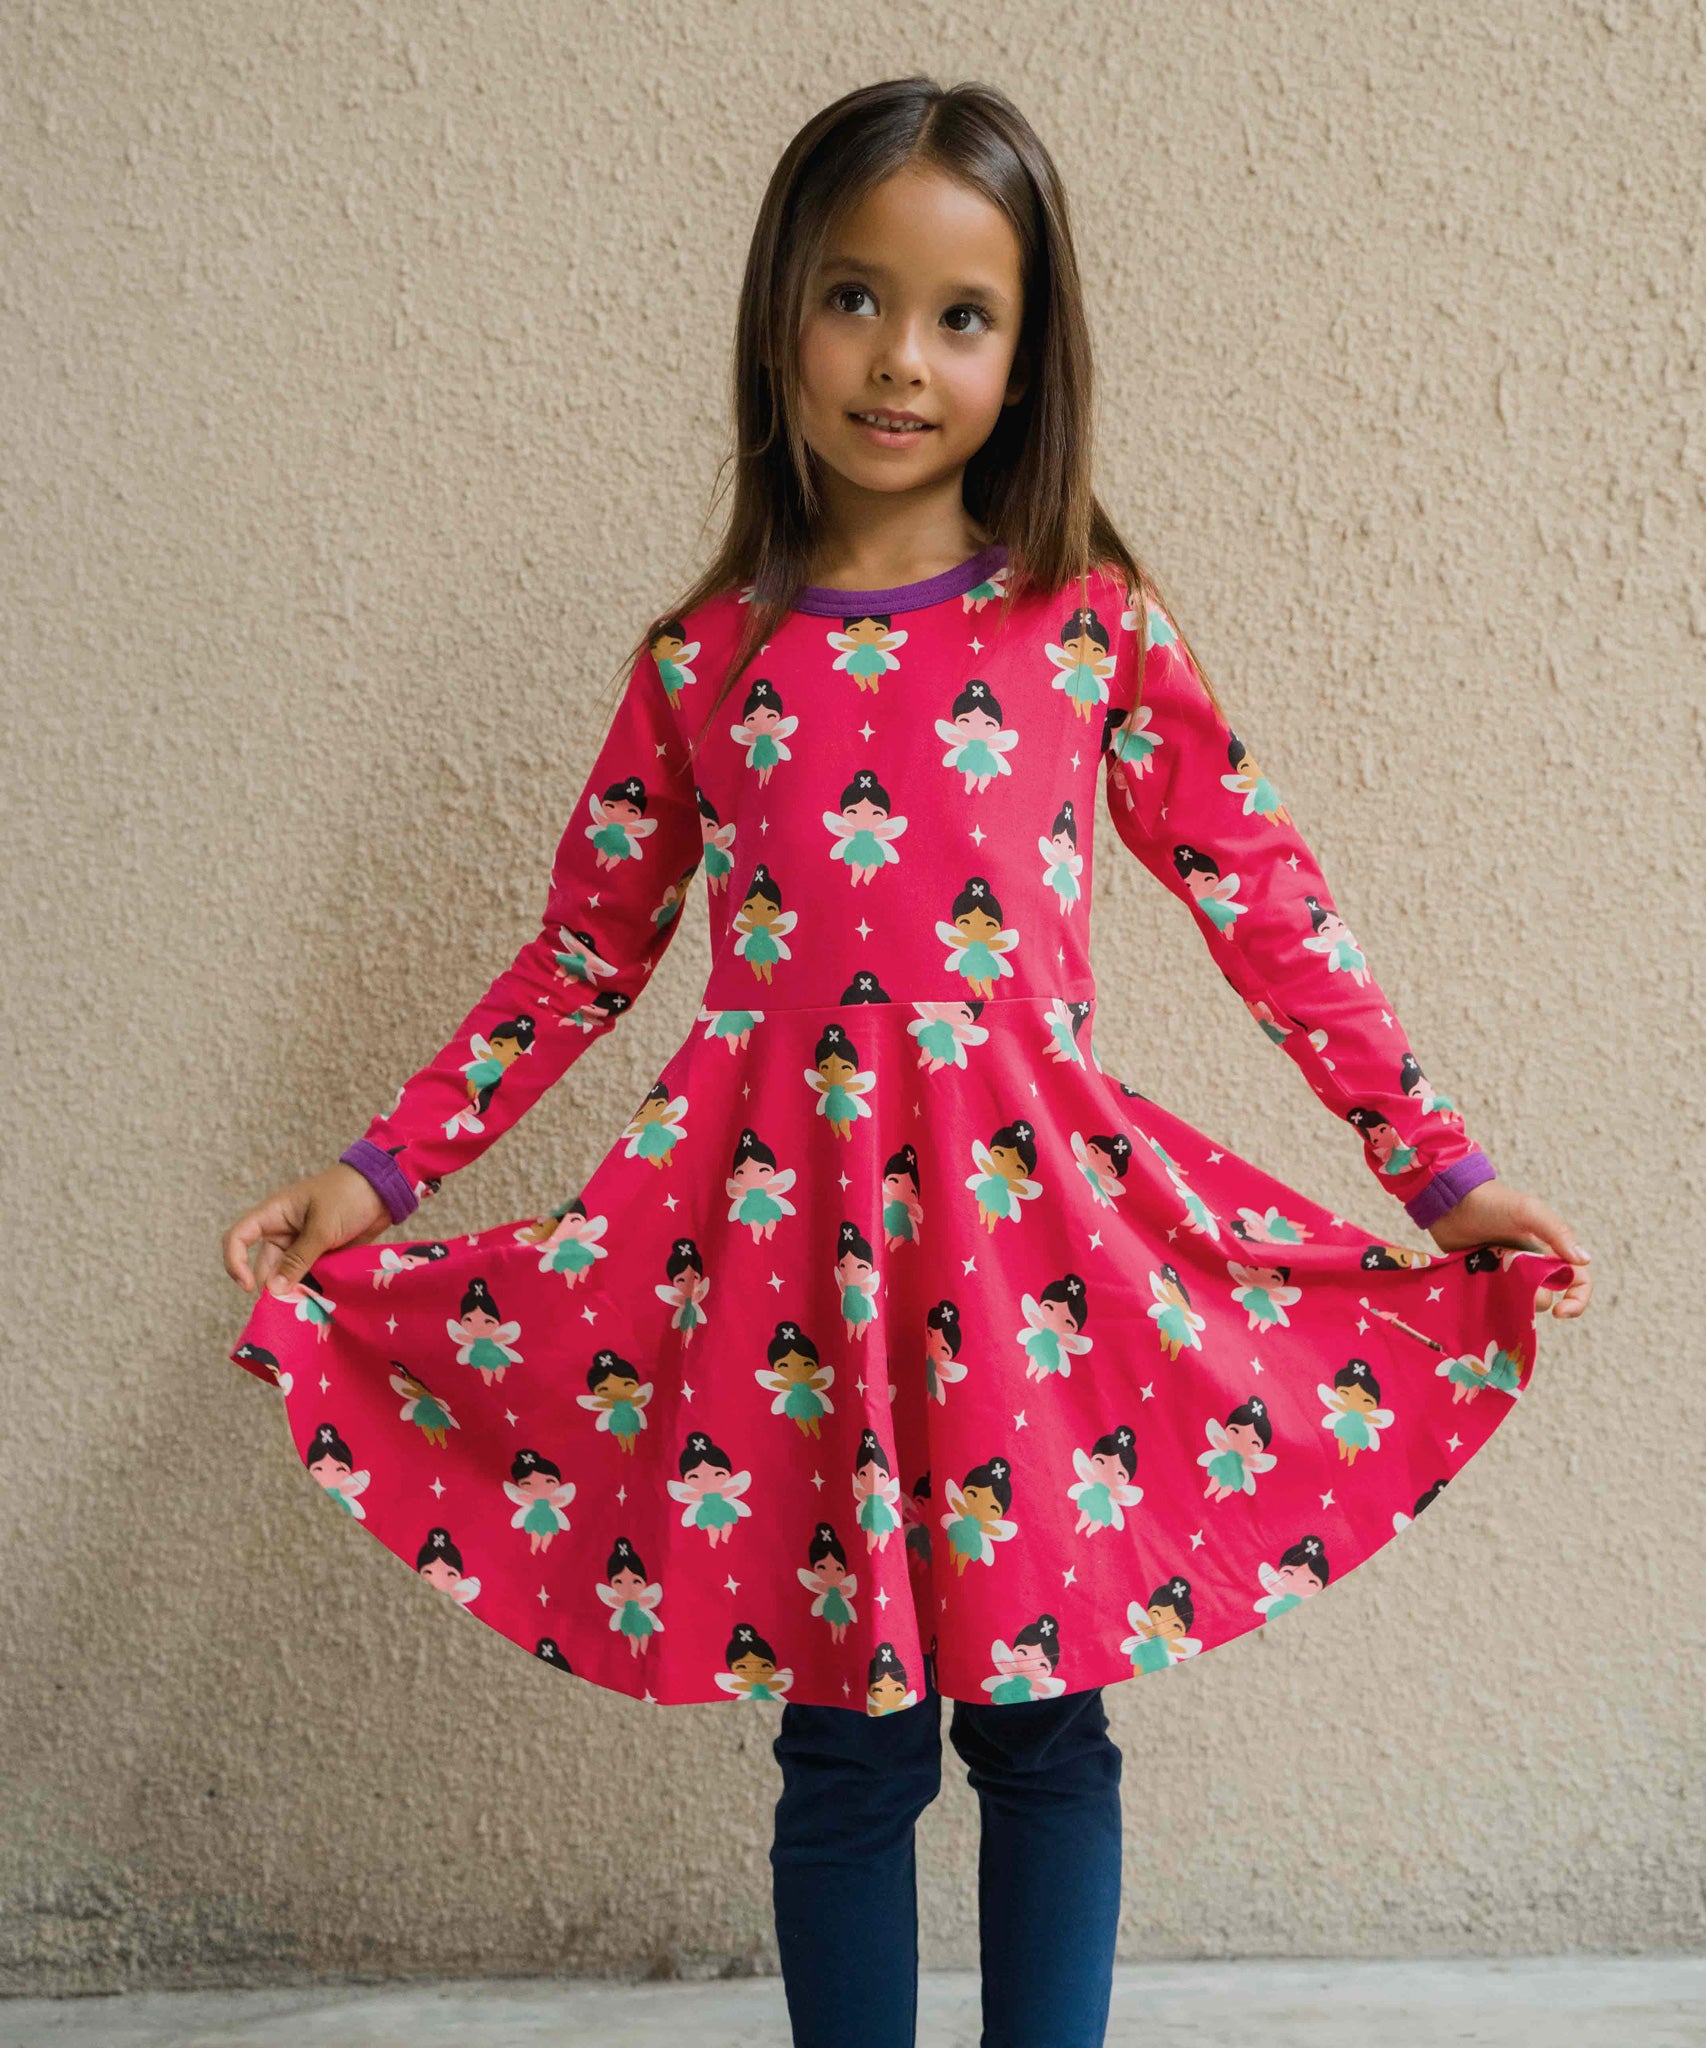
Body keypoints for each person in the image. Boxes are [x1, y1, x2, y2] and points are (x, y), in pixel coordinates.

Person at [221, 76, 1592, 2048]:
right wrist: (372, 1179)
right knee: (846, 1746)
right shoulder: (701, 662)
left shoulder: (1086, 629)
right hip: (779, 1279)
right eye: (856, 297)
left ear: (1028, 359)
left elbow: (1260, 901)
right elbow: (579, 957)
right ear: (780, 311)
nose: (901, 356)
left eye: (963, 314)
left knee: (1044, 1729)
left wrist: (1441, 1178)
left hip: (1030, 1268)